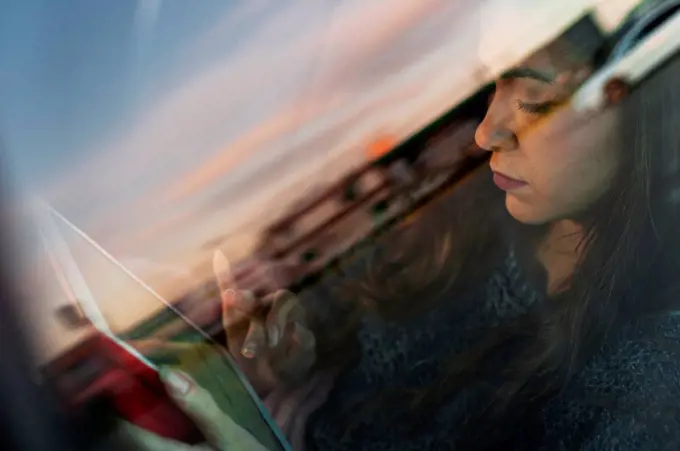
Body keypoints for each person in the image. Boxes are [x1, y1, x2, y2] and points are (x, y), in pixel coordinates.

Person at [128, 26, 680, 451]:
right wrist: (296, 361)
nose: (486, 132)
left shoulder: (649, 374)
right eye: (493, 87)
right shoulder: (456, 218)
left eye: (538, 101)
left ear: (641, 109)